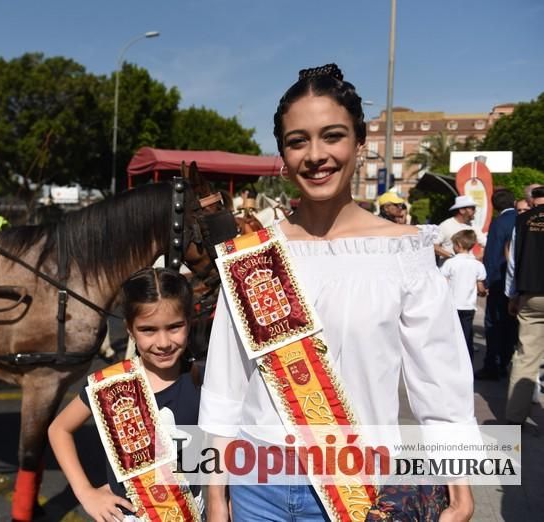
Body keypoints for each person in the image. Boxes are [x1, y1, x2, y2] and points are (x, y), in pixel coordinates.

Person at [199, 64, 474, 521]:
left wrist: (461, 490)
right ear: (284, 156)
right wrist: (215, 498)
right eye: (297, 141)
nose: (315, 155)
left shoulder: (404, 252)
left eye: (332, 136)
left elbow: (440, 385)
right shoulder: (253, 256)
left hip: (357, 489)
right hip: (256, 484)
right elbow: (226, 385)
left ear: (359, 143)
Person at [48, 267, 203, 522]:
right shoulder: (109, 385)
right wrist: (86, 492)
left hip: (195, 510)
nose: (163, 342)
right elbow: (59, 429)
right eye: (148, 330)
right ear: (129, 330)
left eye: (174, 327)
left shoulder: (201, 377)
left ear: (189, 321)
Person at [504, 185, 544, 425]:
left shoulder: (523, 220)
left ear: (531, 202)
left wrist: (512, 295)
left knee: (526, 356)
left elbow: (513, 262)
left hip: (531, 293)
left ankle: (514, 417)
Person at [476, 188, 517, 380]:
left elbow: (492, 254)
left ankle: (492, 365)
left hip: (500, 280)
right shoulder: (522, 219)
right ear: (514, 202)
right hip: (518, 281)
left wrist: (485, 281)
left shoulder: (499, 223)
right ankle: (507, 361)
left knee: (493, 323)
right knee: (511, 325)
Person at [440, 230, 488, 360]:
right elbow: (480, 287)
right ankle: (467, 361)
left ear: (459, 245)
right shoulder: (478, 265)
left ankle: (451, 359)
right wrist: (483, 292)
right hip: (468, 306)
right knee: (467, 334)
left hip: (452, 305)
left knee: (451, 334)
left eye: (454, 245)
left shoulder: (450, 263)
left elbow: (443, 282)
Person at [434, 194, 487, 262]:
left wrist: (477, 258)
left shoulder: (473, 226)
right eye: (472, 208)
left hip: (468, 269)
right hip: (449, 270)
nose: (475, 211)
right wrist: (452, 256)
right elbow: (434, 246)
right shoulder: (445, 225)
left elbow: (486, 244)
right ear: (462, 210)